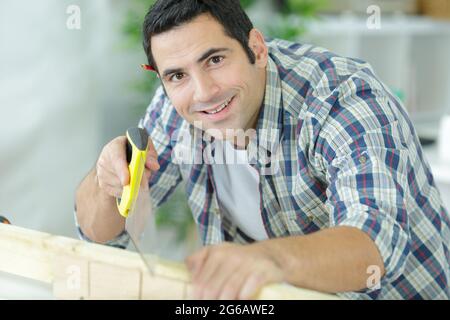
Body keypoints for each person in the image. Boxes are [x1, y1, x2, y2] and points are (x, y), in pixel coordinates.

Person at [75, 0, 450, 300]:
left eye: (215, 60)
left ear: (256, 48)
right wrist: (106, 181)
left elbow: (377, 245)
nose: (204, 92)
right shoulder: (178, 106)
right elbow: (102, 235)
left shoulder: (341, 98)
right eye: (177, 75)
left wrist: (268, 260)